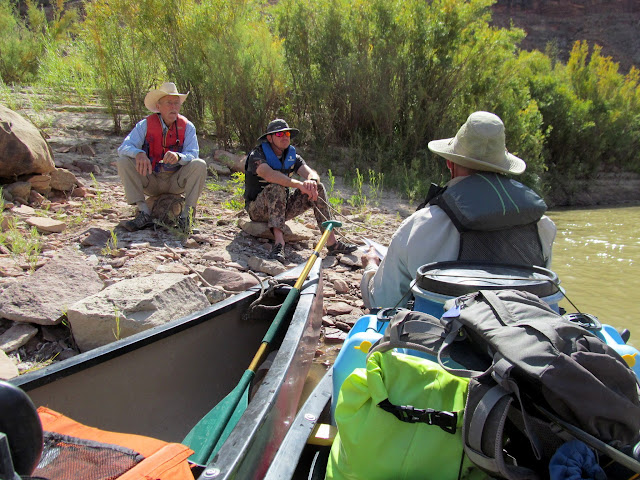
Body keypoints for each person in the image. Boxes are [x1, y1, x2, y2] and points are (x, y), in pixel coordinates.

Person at [360, 111, 556, 309]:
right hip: (521, 336)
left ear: (449, 162)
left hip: (444, 337)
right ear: (505, 167)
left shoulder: (420, 226)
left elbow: (382, 304)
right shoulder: (543, 228)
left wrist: (370, 266)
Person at [244, 118, 357, 262]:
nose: (284, 136)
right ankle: (279, 244)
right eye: (279, 134)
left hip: (281, 209)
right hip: (257, 209)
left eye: (287, 134)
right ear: (269, 138)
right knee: (276, 187)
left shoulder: (292, 156)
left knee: (318, 187)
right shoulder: (257, 155)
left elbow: (311, 173)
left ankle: (332, 242)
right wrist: (298, 184)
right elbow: (269, 174)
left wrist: (311, 181)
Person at [117, 82, 207, 233]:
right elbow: (123, 148)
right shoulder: (144, 125)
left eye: (176, 103)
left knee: (200, 164)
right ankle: (144, 212)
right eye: (169, 103)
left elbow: (193, 153)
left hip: (175, 181)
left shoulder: (188, 126)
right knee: (123, 161)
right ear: (158, 106)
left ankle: (187, 216)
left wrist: (179, 156)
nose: (173, 107)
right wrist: (139, 154)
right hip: (150, 179)